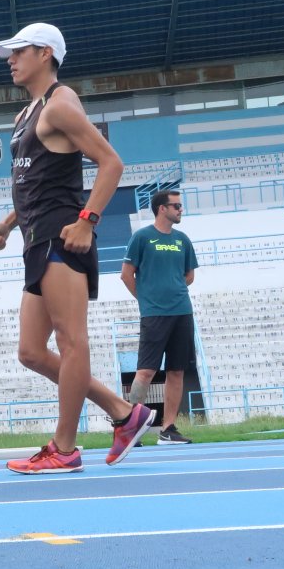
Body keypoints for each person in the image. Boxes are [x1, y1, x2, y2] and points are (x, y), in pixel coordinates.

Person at [0, 23, 154, 474]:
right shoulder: (27, 115)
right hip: (35, 238)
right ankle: (123, 412)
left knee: (71, 341)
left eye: (18, 51)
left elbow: (111, 163)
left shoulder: (61, 104)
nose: (10, 59)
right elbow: (36, 182)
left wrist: (88, 221)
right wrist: (6, 223)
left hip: (64, 237)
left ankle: (65, 447)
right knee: (30, 351)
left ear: (45, 54)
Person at [121, 190, 199, 445]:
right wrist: (146, 300)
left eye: (180, 206)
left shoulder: (182, 239)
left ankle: (168, 428)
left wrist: (173, 287)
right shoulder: (142, 237)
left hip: (182, 312)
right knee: (145, 372)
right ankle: (131, 426)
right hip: (154, 315)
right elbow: (126, 274)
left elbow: (189, 276)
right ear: (161, 209)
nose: (180, 210)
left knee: (176, 371)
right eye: (176, 206)